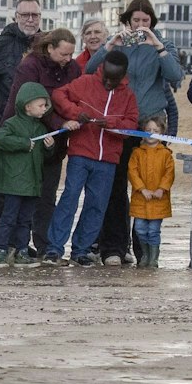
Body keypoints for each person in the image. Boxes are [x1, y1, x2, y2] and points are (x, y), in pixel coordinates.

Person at [85, 0, 185, 265]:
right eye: (136, 20)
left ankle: (145, 250)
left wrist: (159, 47)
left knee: (149, 185)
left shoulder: (163, 44)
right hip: (120, 123)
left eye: (146, 21)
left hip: (150, 125)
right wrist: (109, 46)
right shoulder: (119, 44)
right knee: (116, 185)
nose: (141, 25)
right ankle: (114, 248)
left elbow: (176, 76)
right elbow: (89, 71)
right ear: (127, 21)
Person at [46, 49, 140, 265]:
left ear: (122, 76)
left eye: (113, 80)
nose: (108, 83)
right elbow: (59, 95)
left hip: (108, 158)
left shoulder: (128, 96)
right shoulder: (85, 82)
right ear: (102, 69)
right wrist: (74, 113)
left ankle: (81, 250)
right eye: (106, 77)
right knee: (69, 198)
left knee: (96, 205)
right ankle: (54, 248)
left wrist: (112, 125)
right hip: (81, 152)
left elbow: (131, 125)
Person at [7, 28, 78, 256]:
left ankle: (44, 244)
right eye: (64, 54)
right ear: (50, 48)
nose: (68, 59)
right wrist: (60, 123)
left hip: (54, 143)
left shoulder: (72, 68)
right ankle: (14, 244)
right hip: (27, 136)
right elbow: (30, 104)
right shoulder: (30, 66)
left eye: (71, 54)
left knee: (47, 195)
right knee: (20, 195)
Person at [0, 80, 50, 264]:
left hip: (32, 183)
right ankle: (0, 248)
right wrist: (23, 143)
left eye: (45, 105)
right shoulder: (11, 124)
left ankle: (22, 249)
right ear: (27, 106)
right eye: (41, 105)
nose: (44, 109)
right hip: (14, 183)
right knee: (9, 217)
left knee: (25, 220)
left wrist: (49, 147)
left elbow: (42, 156)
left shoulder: (40, 127)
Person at [0, 0, 43, 119]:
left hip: (39, 124)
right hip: (5, 123)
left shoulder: (47, 47)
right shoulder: (0, 45)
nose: (30, 20)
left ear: (40, 17)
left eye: (34, 15)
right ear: (17, 17)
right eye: (25, 15)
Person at [126, 117, 175, 269]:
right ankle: (145, 254)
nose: (152, 134)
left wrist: (162, 188)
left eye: (156, 131)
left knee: (153, 231)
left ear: (162, 133)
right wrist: (142, 188)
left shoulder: (166, 153)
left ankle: (153, 257)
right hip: (141, 198)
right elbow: (132, 172)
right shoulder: (137, 153)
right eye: (148, 131)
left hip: (158, 200)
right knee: (140, 229)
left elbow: (169, 173)